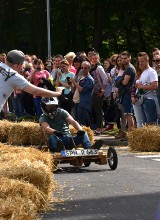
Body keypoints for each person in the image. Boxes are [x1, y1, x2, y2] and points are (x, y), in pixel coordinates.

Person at [136, 52, 160, 124]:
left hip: (150, 100)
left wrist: (141, 86)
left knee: (151, 123)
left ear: (147, 61)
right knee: (146, 124)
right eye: (139, 61)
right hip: (143, 100)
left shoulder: (151, 72)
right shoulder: (144, 72)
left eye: (142, 61)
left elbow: (155, 85)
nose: (140, 63)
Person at [70, 61, 94, 127]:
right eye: (82, 68)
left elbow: (82, 90)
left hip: (84, 104)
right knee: (77, 122)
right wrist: (71, 84)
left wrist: (74, 82)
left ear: (89, 69)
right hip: (77, 102)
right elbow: (75, 90)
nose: (83, 69)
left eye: (85, 68)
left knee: (83, 123)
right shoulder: (81, 77)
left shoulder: (89, 79)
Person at [90, 52, 108, 134]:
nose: (94, 60)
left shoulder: (99, 68)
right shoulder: (92, 67)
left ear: (99, 59)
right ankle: (98, 126)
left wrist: (102, 90)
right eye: (92, 59)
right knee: (96, 110)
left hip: (98, 91)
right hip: (93, 91)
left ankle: (100, 127)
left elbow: (105, 79)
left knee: (98, 110)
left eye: (95, 58)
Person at [119, 51, 136, 134]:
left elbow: (125, 82)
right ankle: (129, 134)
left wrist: (119, 80)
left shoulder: (129, 68)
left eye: (125, 58)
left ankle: (131, 134)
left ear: (130, 58)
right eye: (122, 59)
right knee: (127, 114)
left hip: (128, 94)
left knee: (129, 115)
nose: (123, 60)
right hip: (126, 93)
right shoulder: (127, 68)